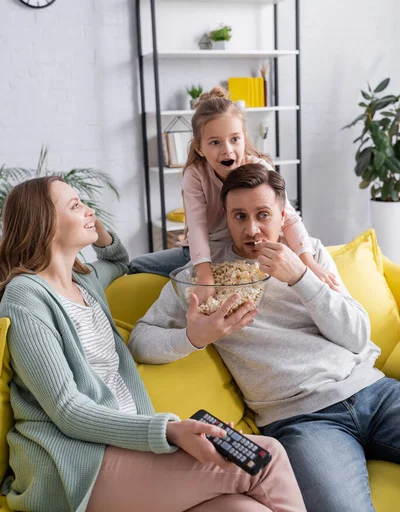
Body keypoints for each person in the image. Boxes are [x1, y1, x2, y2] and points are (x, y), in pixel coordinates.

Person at [0, 176, 306, 512]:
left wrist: (94, 227)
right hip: (73, 467)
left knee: (245, 509)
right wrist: (170, 430)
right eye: (75, 205)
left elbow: (118, 261)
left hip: (130, 451)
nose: (89, 210)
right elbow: (67, 410)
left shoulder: (84, 281)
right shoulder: (25, 296)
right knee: (268, 457)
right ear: (43, 223)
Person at [130, 163, 400, 512]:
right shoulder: (202, 281)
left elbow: (358, 336)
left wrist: (302, 277)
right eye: (239, 216)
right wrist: (194, 337)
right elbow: (139, 340)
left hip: (373, 393)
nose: (252, 229)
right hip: (305, 423)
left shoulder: (310, 256)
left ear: (283, 214)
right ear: (225, 218)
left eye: (263, 214)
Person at [129, 86, 339, 290]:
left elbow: (289, 218)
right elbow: (197, 228)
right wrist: (205, 277)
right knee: (137, 265)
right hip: (210, 250)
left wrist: (309, 264)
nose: (227, 150)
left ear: (244, 139)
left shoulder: (259, 168)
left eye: (234, 139)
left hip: (250, 245)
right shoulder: (195, 175)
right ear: (199, 148)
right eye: (215, 142)